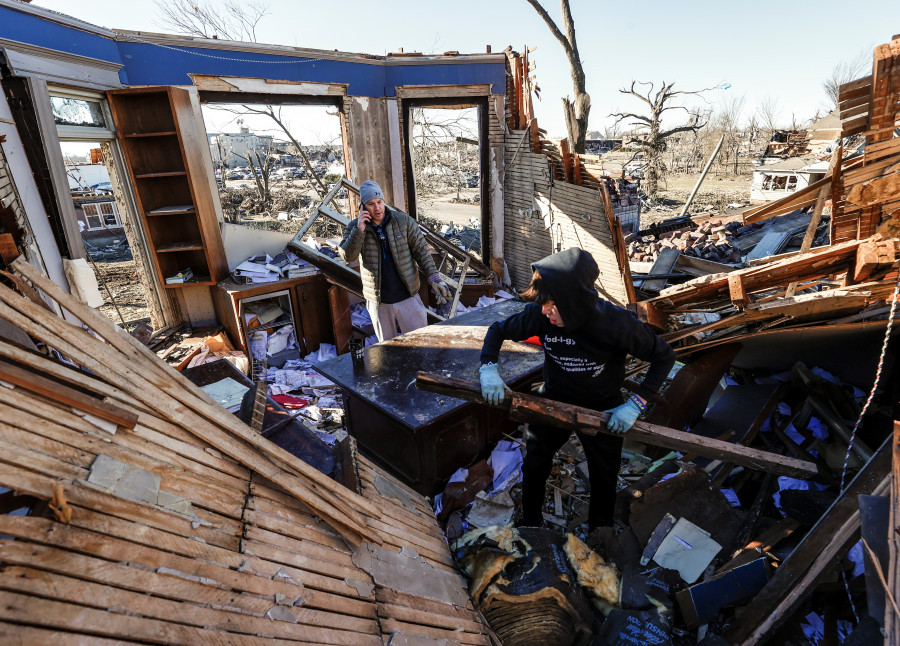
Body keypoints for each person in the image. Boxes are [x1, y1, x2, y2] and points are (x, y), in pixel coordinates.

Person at [478, 247, 675, 529]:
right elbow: (497, 330)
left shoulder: (616, 324)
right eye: (542, 303)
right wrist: (488, 368)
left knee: (604, 475)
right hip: (554, 399)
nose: (545, 310)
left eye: (551, 303)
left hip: (604, 407)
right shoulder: (539, 315)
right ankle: (531, 523)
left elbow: (664, 356)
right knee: (535, 463)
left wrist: (636, 404)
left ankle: (599, 533)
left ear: (574, 300)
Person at [339, 180, 452, 341]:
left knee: (420, 344)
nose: (377, 208)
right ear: (362, 207)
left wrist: (434, 278)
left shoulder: (403, 221)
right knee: (388, 351)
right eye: (371, 204)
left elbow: (421, 251)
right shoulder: (354, 227)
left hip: (408, 297)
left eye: (379, 202)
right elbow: (347, 256)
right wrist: (359, 230)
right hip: (379, 303)